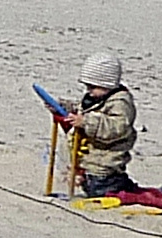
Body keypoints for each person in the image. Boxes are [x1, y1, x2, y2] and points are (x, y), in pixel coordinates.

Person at [44, 54, 140, 198]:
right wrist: (64, 107)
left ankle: (121, 185)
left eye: (93, 87)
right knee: (89, 182)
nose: (89, 91)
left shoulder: (120, 103)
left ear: (108, 84)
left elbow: (117, 127)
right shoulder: (95, 97)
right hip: (89, 154)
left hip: (106, 156)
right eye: (87, 86)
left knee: (99, 187)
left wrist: (86, 122)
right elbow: (82, 109)